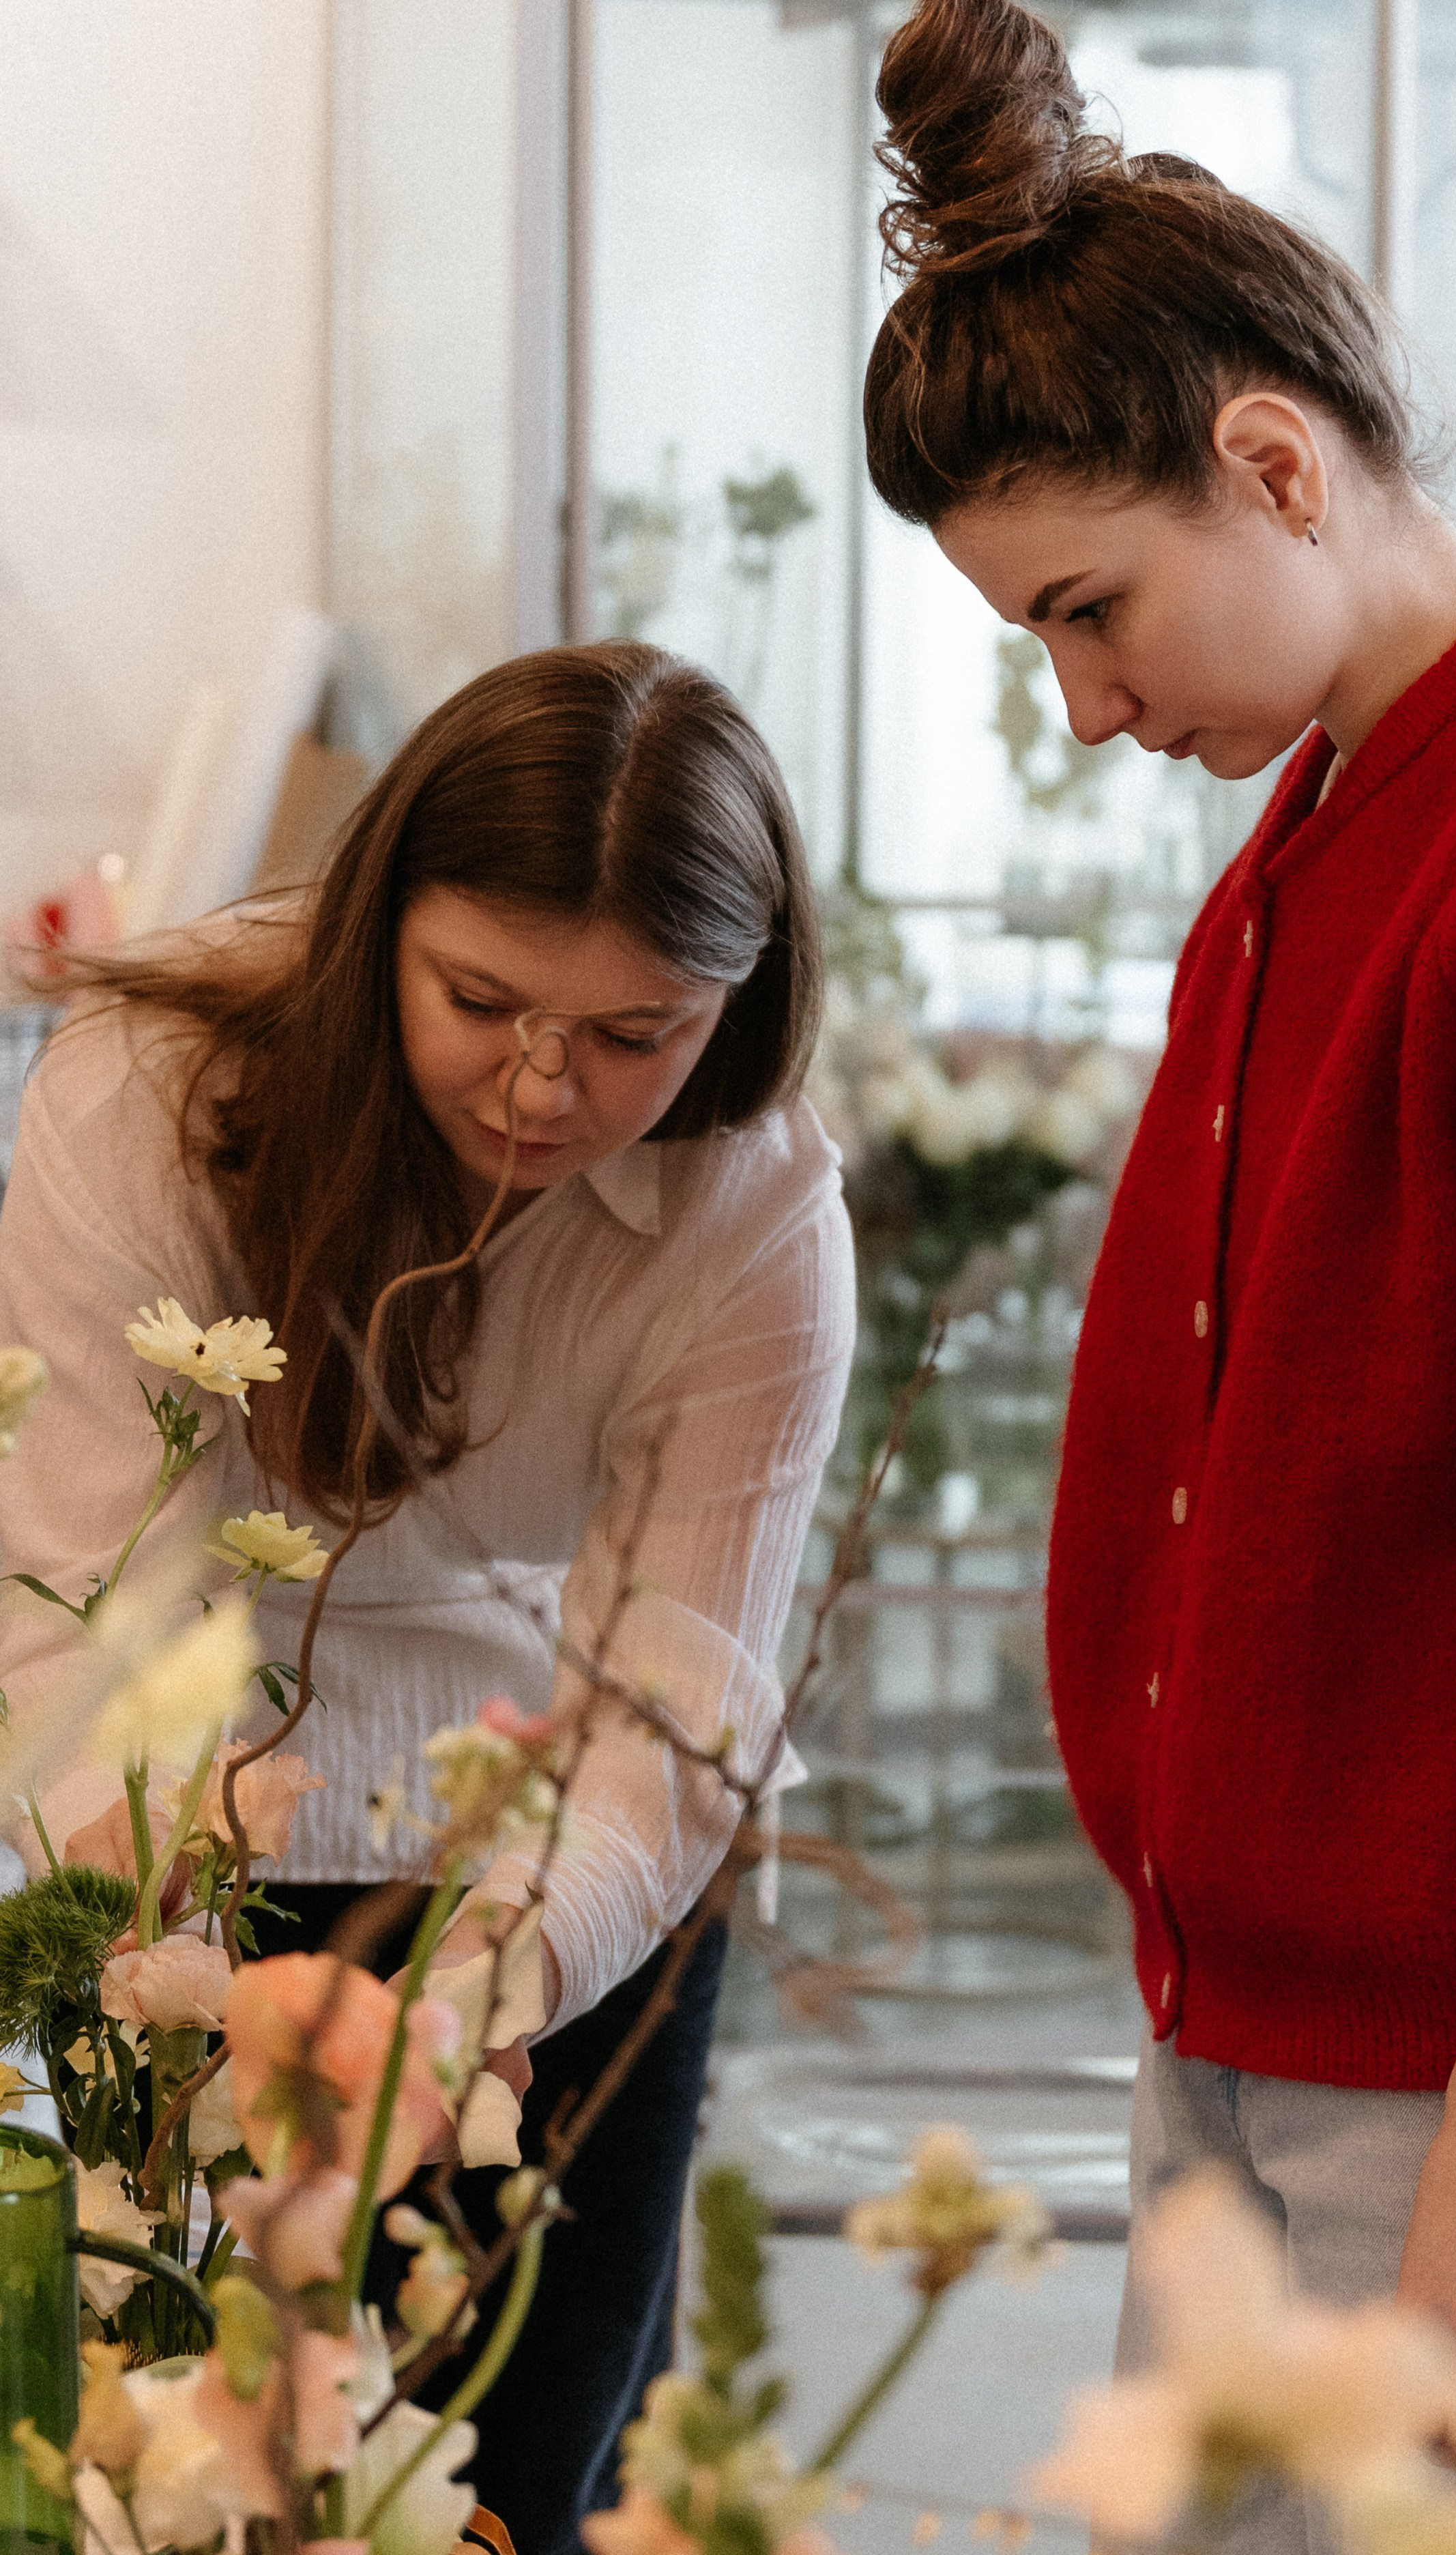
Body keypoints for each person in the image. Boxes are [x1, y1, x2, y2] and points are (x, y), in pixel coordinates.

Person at [862, 0, 1456, 2543]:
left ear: (1271, 460)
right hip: (1257, 2038)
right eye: (1035, 638)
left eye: (1090, 610)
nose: (1088, 704)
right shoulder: (1317, 834)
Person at [0, 641, 856, 2553]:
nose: (545, 1087)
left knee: (506, 2483)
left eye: (639, 1034)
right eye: (481, 1002)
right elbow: (81, 1597)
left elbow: (675, 1690)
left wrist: (501, 1978)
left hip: (554, 1873)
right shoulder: (144, 1083)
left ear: (740, 999)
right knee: (171, 2482)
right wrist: (176, 1941)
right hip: (188, 1832)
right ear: (381, 917)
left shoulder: (760, 1207)